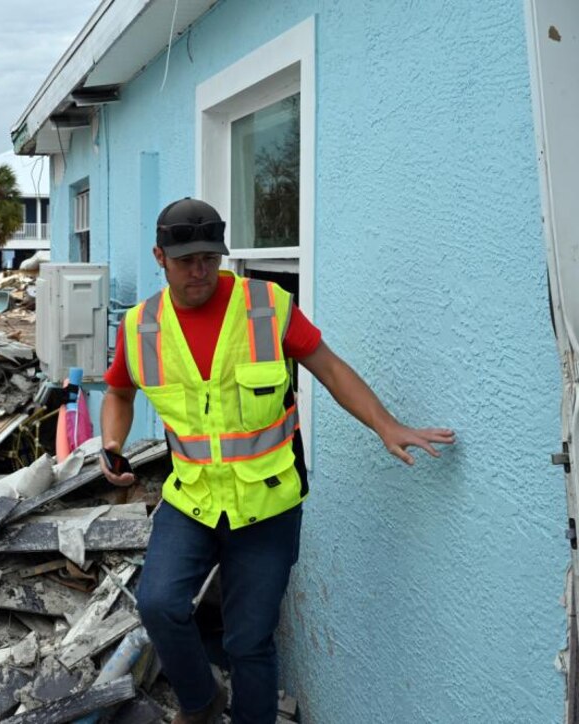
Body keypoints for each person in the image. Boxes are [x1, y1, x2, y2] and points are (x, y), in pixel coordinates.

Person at [99, 198, 455, 724]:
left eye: (208, 258)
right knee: (159, 605)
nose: (199, 271)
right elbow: (119, 394)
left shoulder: (266, 306)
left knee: (249, 641)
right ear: (160, 256)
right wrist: (112, 445)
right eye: (184, 260)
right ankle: (202, 702)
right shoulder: (139, 327)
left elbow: (329, 368)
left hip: (268, 503)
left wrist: (386, 424)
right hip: (192, 497)